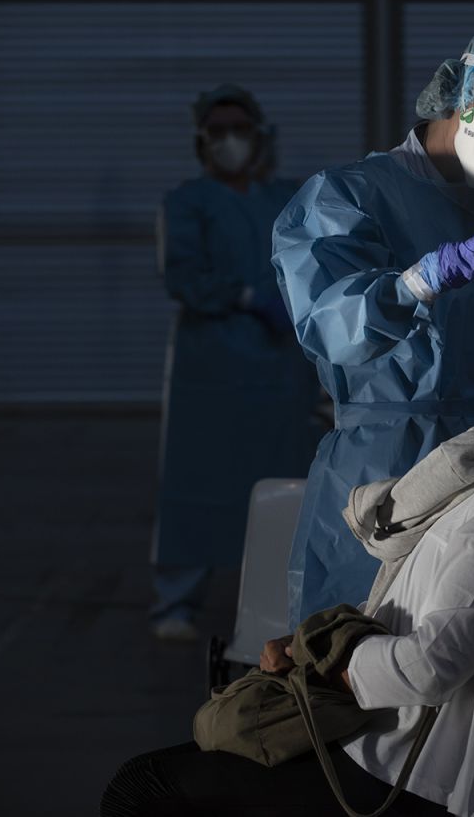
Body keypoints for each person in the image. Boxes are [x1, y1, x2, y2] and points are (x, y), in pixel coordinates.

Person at [102, 296, 474, 817]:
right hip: (403, 751)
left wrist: (324, 661)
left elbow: (430, 668)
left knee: (142, 791)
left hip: (405, 779)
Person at [274, 23, 474, 627]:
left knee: (464, 664)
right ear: (464, 87)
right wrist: (423, 279)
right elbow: (330, 328)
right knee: (353, 661)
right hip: (379, 466)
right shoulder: (347, 196)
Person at [150, 84, 320, 642]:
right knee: (199, 475)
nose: (229, 142)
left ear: (261, 136)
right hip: (213, 364)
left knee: (284, 477)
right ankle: (177, 601)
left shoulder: (288, 199)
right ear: (202, 141)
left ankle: (285, 599)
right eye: (217, 131)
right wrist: (246, 297)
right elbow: (183, 276)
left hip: (279, 364)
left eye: (238, 130)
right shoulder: (186, 202)